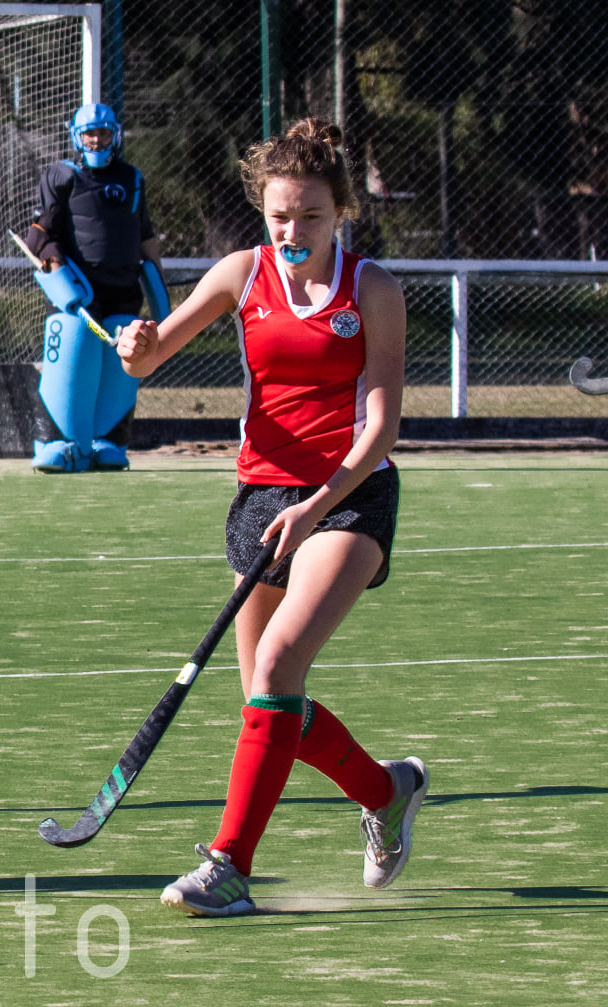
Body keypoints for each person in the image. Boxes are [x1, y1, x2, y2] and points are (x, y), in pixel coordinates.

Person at [113, 118, 426, 917]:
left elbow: (381, 426)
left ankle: (227, 867)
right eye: (280, 215)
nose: (293, 232)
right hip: (259, 498)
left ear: (340, 212)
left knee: (279, 663)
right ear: (262, 209)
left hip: (348, 494)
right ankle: (384, 790)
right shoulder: (240, 273)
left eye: (311, 216)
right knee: (265, 698)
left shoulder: (373, 290)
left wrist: (317, 506)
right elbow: (150, 358)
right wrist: (135, 346)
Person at [21, 102, 169, 474]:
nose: (97, 140)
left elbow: (145, 236)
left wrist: (159, 282)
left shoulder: (132, 178)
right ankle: (59, 442)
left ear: (114, 135)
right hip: (80, 293)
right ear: (77, 136)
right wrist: (58, 274)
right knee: (73, 346)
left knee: (123, 360)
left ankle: (109, 441)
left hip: (124, 289)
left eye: (103, 133)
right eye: (90, 133)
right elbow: (41, 236)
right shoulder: (61, 175)